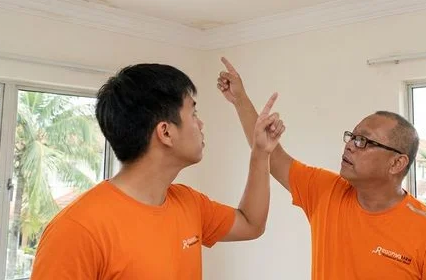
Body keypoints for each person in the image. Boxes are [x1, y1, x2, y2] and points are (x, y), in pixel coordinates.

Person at [30, 63, 285, 279]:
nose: (200, 123)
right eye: (193, 113)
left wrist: (261, 151)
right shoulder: (77, 230)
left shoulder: (189, 204)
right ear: (165, 132)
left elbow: (251, 224)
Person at [217, 57, 426, 279]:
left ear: (397, 163)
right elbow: (272, 155)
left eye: (363, 141)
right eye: (351, 136)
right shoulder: (326, 191)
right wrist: (240, 99)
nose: (350, 146)